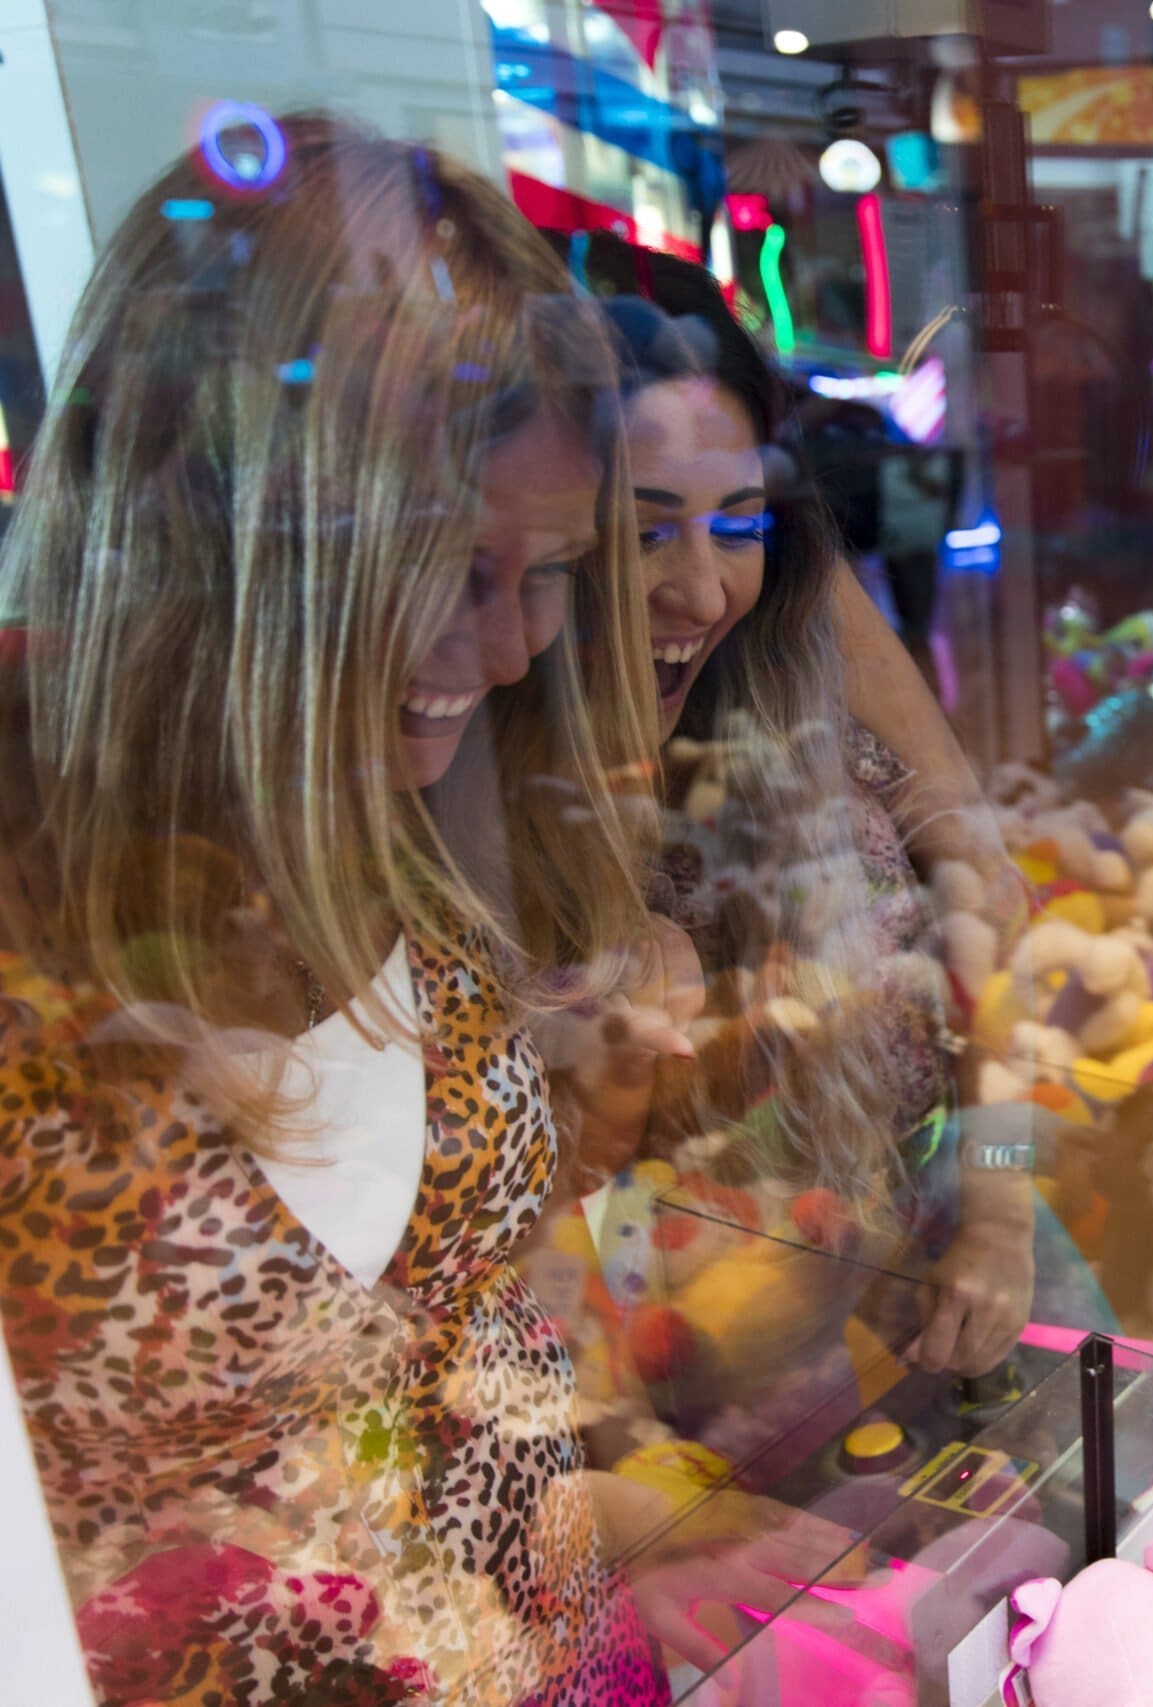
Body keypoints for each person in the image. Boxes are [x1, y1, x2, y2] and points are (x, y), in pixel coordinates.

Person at [0, 117, 775, 1702]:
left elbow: (447, 1313)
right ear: (240, 541)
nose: (503, 651)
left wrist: (639, 1515)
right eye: (445, 565)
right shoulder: (46, 969)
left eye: (550, 569)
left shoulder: (412, 810)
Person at [557, 232, 1061, 1379]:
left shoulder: (788, 690)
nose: (700, 586)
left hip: (930, 1283)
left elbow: (985, 906)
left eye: (738, 522)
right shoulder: (492, 808)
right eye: (639, 532)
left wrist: (995, 1211)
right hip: (690, 1381)